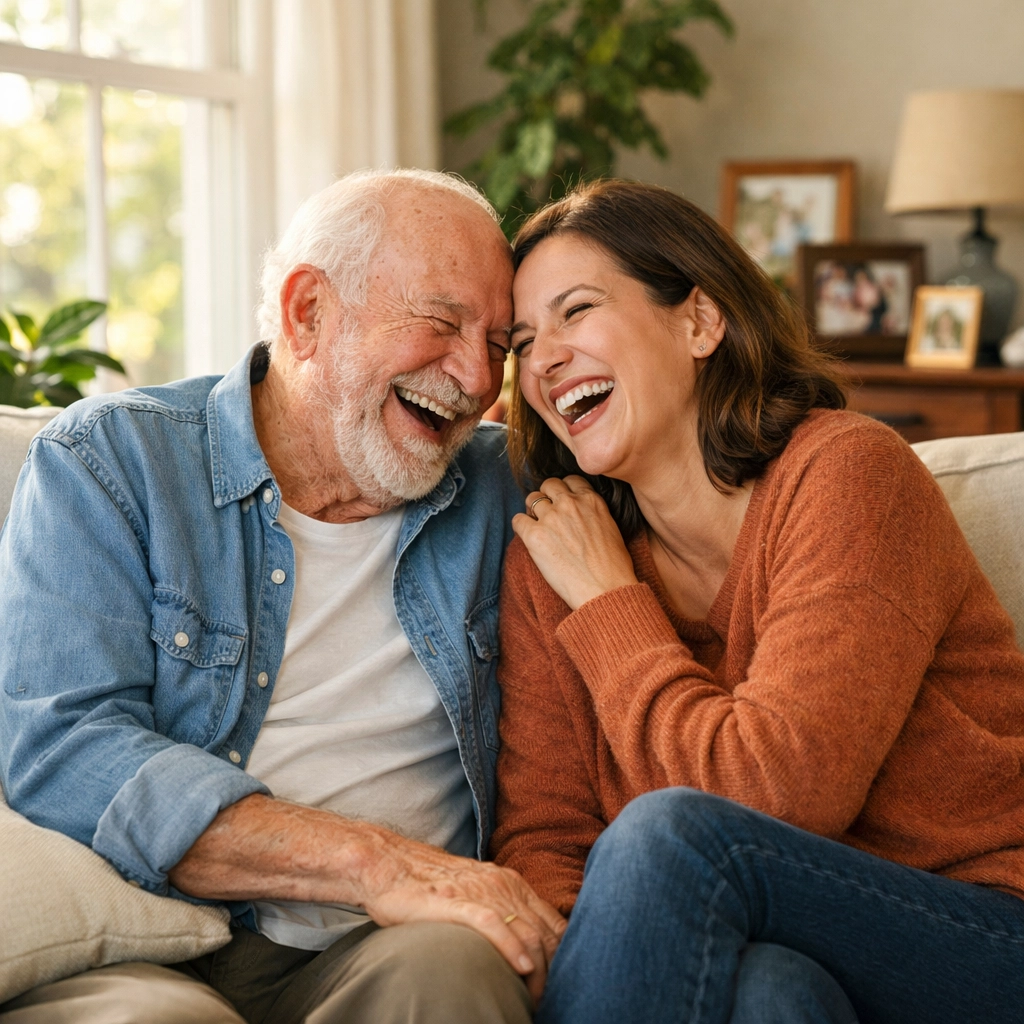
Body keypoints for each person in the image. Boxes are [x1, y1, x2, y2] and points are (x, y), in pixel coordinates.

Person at [0, 169, 565, 1024]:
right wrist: (378, 863)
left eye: (498, 343)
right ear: (308, 315)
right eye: (443, 323)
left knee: (453, 971)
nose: (476, 377)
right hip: (161, 935)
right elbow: (66, 748)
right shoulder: (114, 464)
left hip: (387, 948)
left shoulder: (507, 489)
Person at [491, 179, 1024, 1024]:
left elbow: (777, 794)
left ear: (701, 321)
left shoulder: (849, 475)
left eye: (576, 312)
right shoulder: (554, 555)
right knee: (772, 996)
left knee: (668, 837)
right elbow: (547, 838)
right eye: (523, 342)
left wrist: (610, 604)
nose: (545, 359)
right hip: (782, 943)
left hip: (981, 928)